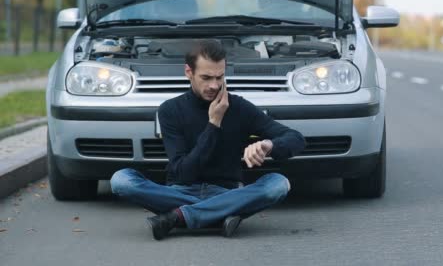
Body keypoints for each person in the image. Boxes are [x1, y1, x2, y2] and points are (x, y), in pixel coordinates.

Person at [110, 39, 306, 240]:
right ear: (189, 72)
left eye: (219, 77)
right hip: (180, 191)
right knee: (121, 180)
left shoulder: (239, 107)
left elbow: (296, 138)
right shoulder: (170, 110)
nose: (214, 85)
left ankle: (179, 216)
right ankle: (219, 214)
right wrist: (214, 123)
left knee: (278, 183)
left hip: (225, 192)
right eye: (206, 77)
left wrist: (269, 145)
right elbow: (184, 172)